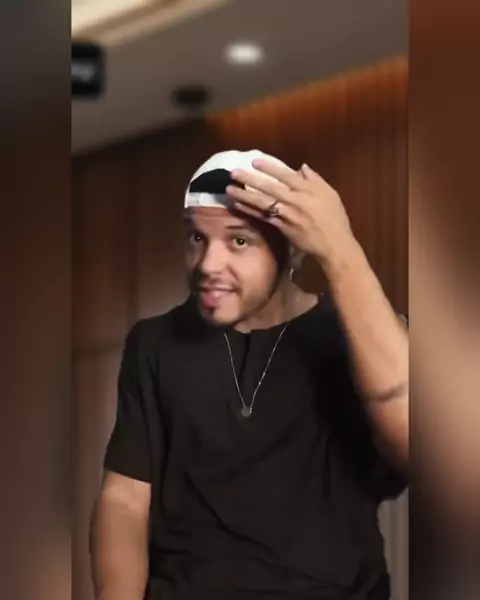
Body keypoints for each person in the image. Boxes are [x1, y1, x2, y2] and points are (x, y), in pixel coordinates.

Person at [90, 149, 409, 600]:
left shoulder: (358, 336)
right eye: (196, 238)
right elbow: (124, 498)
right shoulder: (154, 343)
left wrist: (340, 249)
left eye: (239, 241)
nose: (208, 265)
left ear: (293, 247)